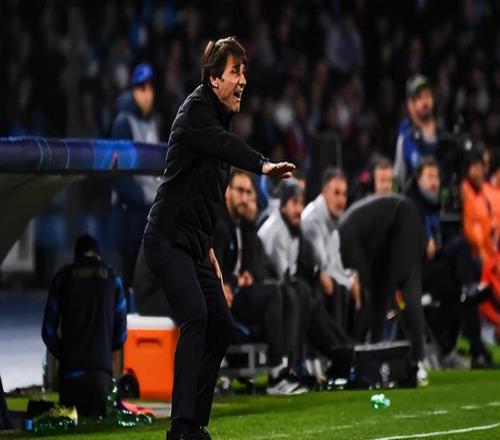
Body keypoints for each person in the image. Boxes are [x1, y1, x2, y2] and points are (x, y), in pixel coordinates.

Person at [142, 37, 294, 440]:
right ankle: (180, 428)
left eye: (244, 72)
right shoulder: (196, 112)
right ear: (214, 79)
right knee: (196, 317)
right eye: (235, 72)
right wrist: (262, 165)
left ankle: (195, 424)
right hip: (166, 239)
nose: (243, 80)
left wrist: (208, 245)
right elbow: (224, 147)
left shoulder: (217, 119)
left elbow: (206, 194)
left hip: (194, 245)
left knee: (223, 328)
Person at [213, 170, 306, 395]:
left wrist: (245, 277)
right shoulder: (219, 224)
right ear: (227, 192)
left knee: (287, 292)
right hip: (222, 297)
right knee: (274, 293)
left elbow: (256, 265)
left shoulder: (244, 227)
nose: (245, 198)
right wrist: (234, 280)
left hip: (239, 294)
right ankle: (276, 374)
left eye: (249, 192)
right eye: (240, 191)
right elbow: (216, 268)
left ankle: (287, 366)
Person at [326, 194, 427, 382]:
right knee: (378, 293)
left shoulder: (346, 242)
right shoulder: (344, 238)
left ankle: (417, 360)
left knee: (403, 293)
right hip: (388, 233)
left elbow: (364, 294)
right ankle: (372, 355)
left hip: (404, 221)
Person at [258, 180, 354, 375]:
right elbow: (283, 277)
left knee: (313, 294)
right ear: (283, 206)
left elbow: (306, 264)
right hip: (267, 296)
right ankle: (296, 365)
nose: (299, 210)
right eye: (294, 203)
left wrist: (317, 274)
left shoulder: (293, 230)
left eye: (301, 203)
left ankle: (343, 350)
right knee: (302, 293)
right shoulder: (277, 230)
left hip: (283, 293)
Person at [406, 156, 490, 368]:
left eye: (436, 177)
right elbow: (417, 244)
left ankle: (456, 346)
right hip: (417, 269)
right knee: (461, 276)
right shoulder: (412, 204)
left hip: (434, 263)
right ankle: (466, 349)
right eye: (430, 177)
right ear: (418, 179)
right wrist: (424, 241)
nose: (435, 182)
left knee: (466, 266)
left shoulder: (434, 205)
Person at [41, 235, 127, 417]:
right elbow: (121, 335)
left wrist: (66, 356)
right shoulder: (113, 278)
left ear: (77, 256)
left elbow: (48, 332)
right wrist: (104, 351)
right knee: (96, 426)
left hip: (70, 376)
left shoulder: (62, 277)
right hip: (100, 376)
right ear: (98, 255)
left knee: (70, 423)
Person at [111, 63, 161, 288]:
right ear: (133, 90)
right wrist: (144, 199)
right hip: (130, 213)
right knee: (129, 275)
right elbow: (119, 174)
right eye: (141, 88)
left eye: (150, 87)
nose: (147, 93)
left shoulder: (151, 123)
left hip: (148, 211)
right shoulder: (124, 122)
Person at [394, 75, 439, 188]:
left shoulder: (442, 133)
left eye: (427, 96)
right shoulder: (406, 138)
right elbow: (397, 179)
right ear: (410, 104)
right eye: (419, 98)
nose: (425, 102)